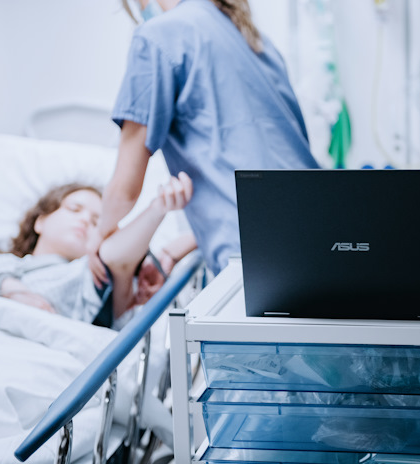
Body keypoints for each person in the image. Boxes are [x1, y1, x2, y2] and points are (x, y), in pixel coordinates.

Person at [88, 0, 320, 286]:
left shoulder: (158, 36)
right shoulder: (256, 40)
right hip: (320, 237)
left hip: (257, 263)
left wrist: (98, 235)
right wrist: (192, 240)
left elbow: (124, 191)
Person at [0, 176, 194, 327]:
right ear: (40, 220)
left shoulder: (87, 277)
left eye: (96, 223)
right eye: (74, 209)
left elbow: (118, 257)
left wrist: (158, 209)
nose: (84, 221)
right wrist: (6, 286)